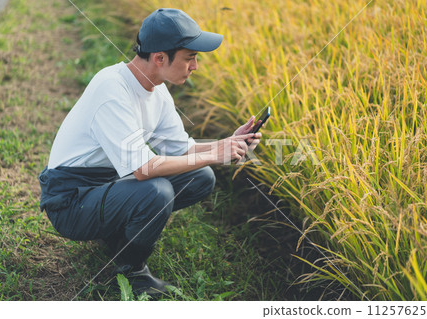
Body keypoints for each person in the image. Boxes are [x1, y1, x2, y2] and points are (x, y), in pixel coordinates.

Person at [38, 8, 261, 298]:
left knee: (200, 177)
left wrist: (227, 142)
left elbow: (183, 149)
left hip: (105, 186)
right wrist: (214, 154)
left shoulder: (157, 90)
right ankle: (132, 272)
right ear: (160, 58)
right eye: (190, 57)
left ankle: (119, 234)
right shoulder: (112, 89)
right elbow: (142, 168)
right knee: (156, 191)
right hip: (70, 201)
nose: (195, 66)